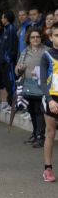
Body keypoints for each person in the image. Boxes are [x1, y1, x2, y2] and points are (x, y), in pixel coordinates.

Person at [15, 28, 48, 147]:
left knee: (39, 112)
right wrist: (19, 69)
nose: (35, 39)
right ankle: (35, 134)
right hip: (28, 85)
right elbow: (17, 69)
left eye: (37, 37)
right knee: (32, 112)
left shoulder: (46, 51)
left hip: (41, 85)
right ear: (28, 39)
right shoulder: (25, 52)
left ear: (41, 38)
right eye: (33, 37)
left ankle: (40, 137)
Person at [40, 23, 58, 182]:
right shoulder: (46, 55)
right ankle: (48, 168)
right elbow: (43, 82)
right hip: (52, 99)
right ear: (51, 37)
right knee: (51, 133)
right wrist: (50, 100)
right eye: (57, 35)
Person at [0, 10, 18, 109]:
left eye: (2, 17)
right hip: (4, 62)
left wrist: (8, 59)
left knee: (11, 82)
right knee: (6, 83)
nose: (1, 19)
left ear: (6, 18)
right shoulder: (6, 29)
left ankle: (13, 104)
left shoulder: (11, 29)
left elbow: (11, 46)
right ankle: (10, 103)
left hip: (9, 62)